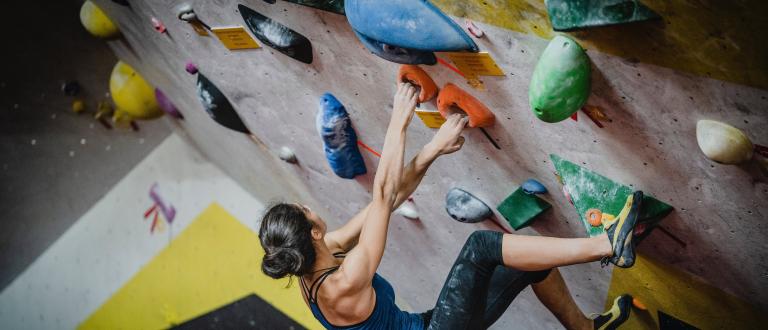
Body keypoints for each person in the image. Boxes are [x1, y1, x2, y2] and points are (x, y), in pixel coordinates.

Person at [258, 83, 639, 329]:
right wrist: (399, 122)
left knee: (532, 262)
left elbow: (387, 201)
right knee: (482, 248)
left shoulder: (324, 252)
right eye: (302, 208)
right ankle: (609, 245)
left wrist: (431, 151)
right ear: (313, 232)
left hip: (431, 324)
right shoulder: (343, 282)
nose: (306, 205)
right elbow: (381, 193)